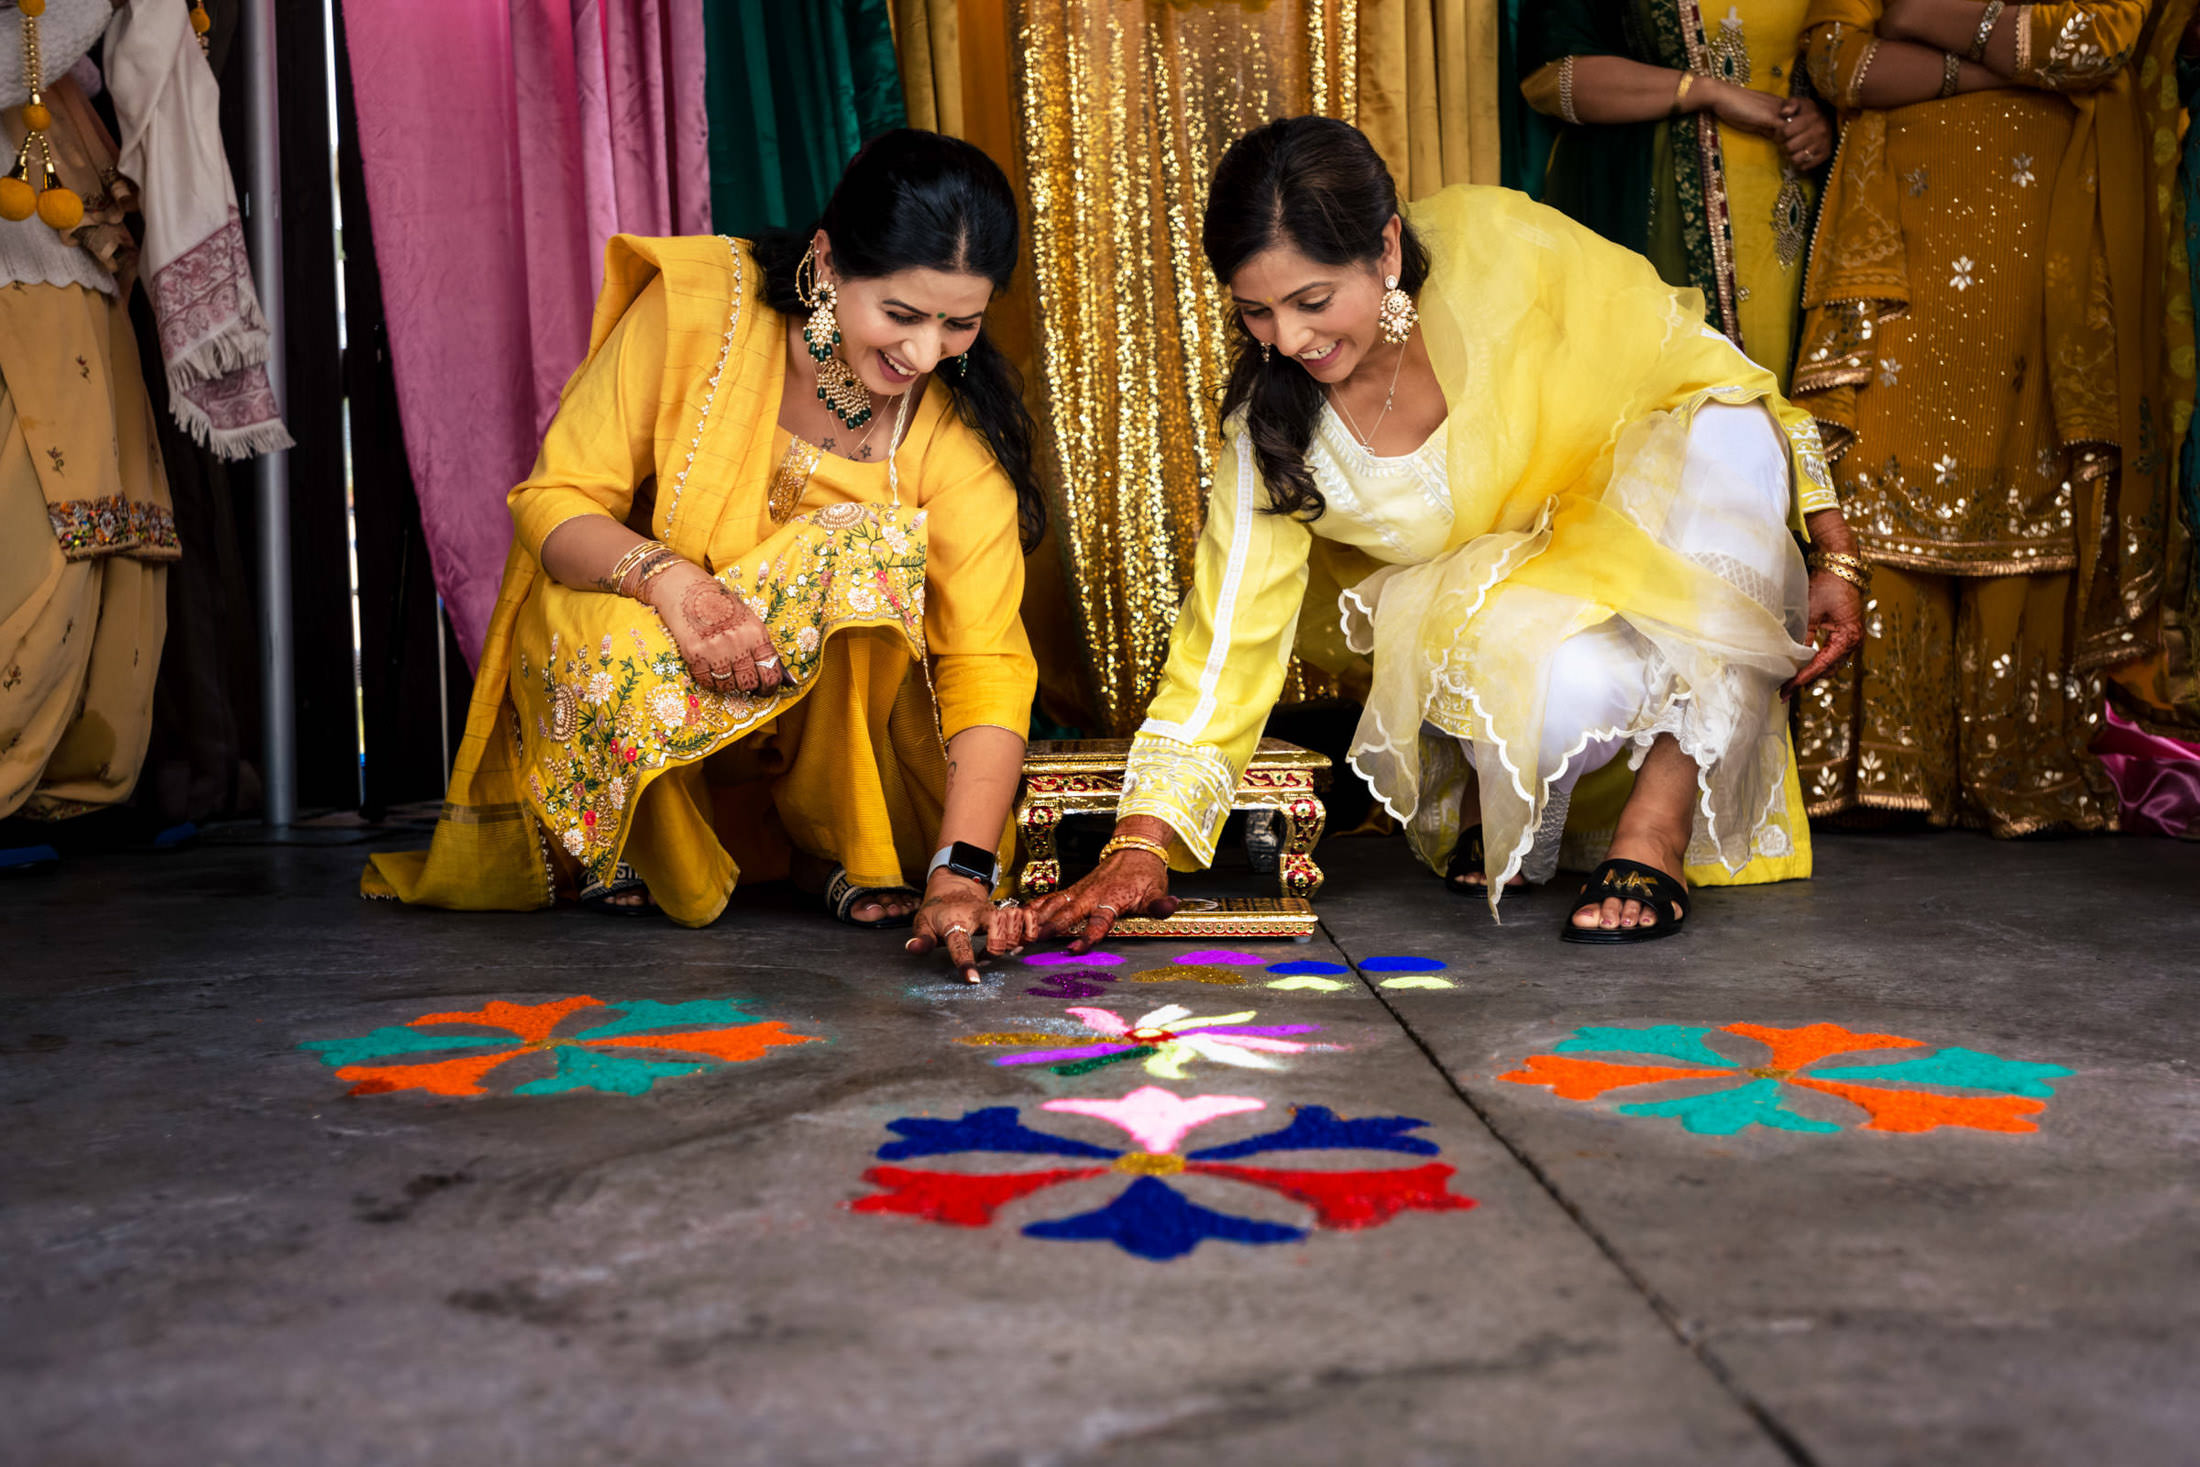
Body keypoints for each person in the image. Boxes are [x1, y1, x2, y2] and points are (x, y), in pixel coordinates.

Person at [1031, 116, 1865, 948]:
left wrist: (1833, 550)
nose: (1287, 340)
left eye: (1312, 301)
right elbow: (1226, 639)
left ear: (1387, 248)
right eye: (1256, 311)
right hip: (1489, 628)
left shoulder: (1500, 254)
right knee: (1556, 696)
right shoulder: (1274, 427)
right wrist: (1140, 844)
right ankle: (1497, 795)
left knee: (1728, 427)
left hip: (1636, 548)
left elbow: (1704, 360)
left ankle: (1657, 824)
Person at [364, 130, 1041, 981]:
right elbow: (557, 499)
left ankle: (825, 841)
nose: (924, 354)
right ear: (828, 265)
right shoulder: (701, 313)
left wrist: (964, 871)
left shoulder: (952, 441)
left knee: (863, 551)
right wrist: (671, 582)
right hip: (666, 652)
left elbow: (986, 663)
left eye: (960, 324)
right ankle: (654, 842)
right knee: (597, 633)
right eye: (901, 315)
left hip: (837, 755)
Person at [1790, 0, 2179, 835]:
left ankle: (2019, 761)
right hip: (1897, 234)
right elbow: (1832, 59)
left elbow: (2095, 42)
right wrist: (1998, 58)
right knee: (1881, 473)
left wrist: (1927, 16)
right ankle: (1884, 766)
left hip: (2055, 235)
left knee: (2030, 476)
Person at [1, 0, 288, 865]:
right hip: (23, 254)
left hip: (68, 219)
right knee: (44, 527)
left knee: (119, 532)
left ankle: (58, 795)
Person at [1519, 1, 1834, 392]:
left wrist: (1824, 121)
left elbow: (1857, 56)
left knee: (1785, 411)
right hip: (1649, 207)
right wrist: (1704, 91)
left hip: (1796, 212)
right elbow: (1553, 79)